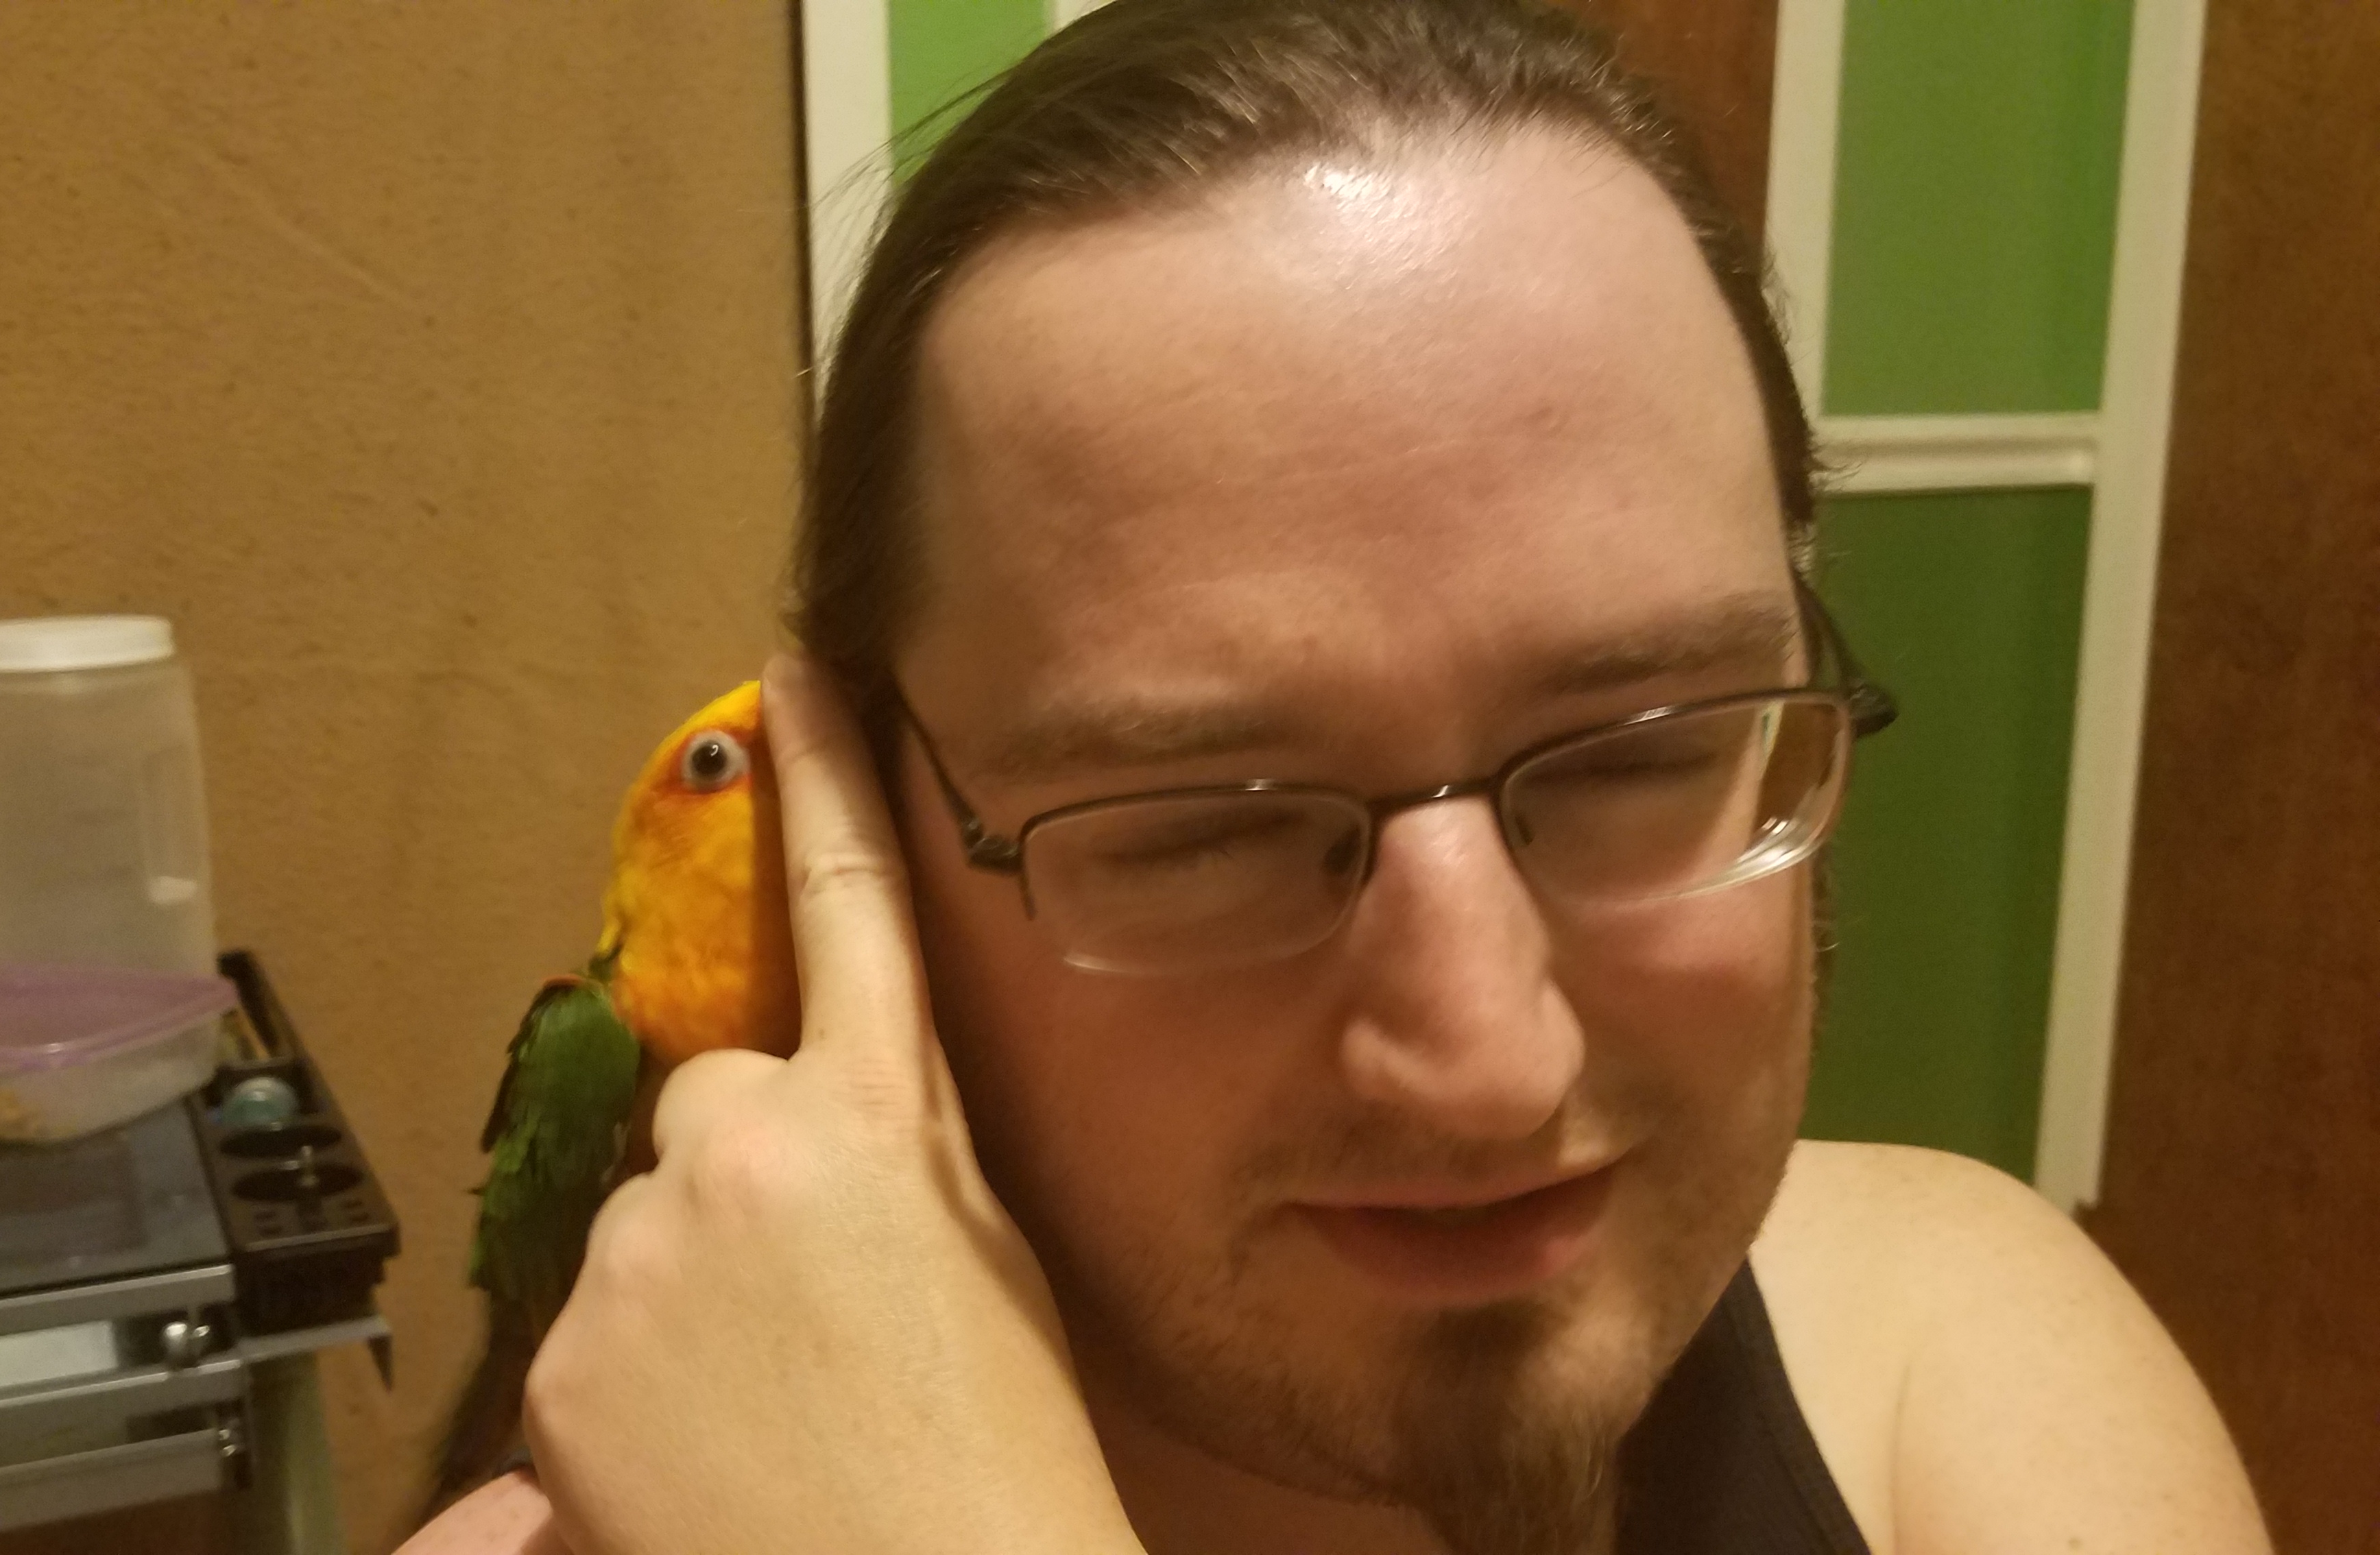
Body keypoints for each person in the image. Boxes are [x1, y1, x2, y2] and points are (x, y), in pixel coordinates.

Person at [403, 1, 2272, 1550]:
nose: (1489, 1067)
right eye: (1199, 829)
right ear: (866, 822)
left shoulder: (1968, 1365)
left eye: (1646, 754)